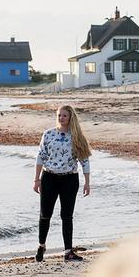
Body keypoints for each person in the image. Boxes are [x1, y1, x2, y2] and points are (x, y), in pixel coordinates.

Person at [33, 105, 92, 262]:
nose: (61, 118)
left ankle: (68, 252)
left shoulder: (77, 137)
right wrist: (36, 179)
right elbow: (40, 157)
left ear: (70, 117)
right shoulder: (48, 134)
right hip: (49, 178)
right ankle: (41, 245)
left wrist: (87, 182)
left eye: (64, 116)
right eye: (59, 115)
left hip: (69, 179)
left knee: (67, 216)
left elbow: (84, 161)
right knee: (45, 214)